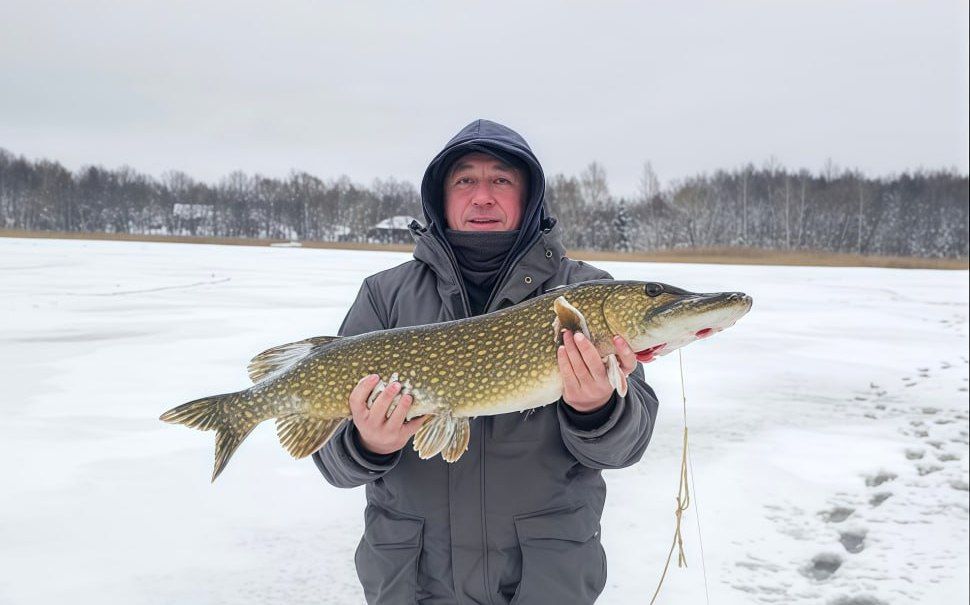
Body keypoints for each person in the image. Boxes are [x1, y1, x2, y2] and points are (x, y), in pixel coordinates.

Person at [313, 119, 659, 604]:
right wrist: (368, 442)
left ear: (528, 196)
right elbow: (334, 465)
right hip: (412, 581)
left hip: (545, 580)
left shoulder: (584, 297)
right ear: (441, 197)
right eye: (465, 181)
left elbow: (626, 448)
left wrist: (597, 409)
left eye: (501, 179)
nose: (482, 197)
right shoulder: (385, 297)